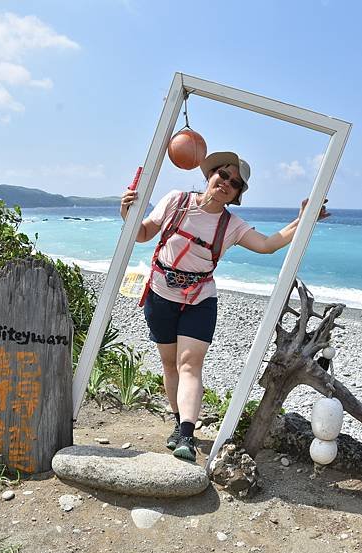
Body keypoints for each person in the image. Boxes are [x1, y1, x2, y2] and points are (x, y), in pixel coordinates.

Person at [121, 151, 329, 462]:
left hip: (200, 299)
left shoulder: (231, 225)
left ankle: (188, 437)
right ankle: (180, 424)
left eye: (235, 183)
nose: (227, 183)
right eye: (224, 175)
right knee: (169, 365)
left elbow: (268, 244)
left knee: (189, 364)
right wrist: (128, 212)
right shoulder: (176, 200)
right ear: (210, 174)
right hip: (161, 293)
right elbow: (143, 233)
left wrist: (303, 218)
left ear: (236, 194)